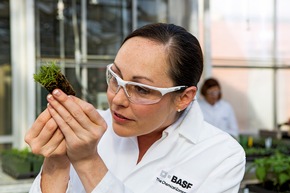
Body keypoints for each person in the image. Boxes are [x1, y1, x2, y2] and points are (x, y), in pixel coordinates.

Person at [25, 23, 245, 193]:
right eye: (116, 78)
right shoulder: (89, 132)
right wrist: (57, 162)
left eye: (141, 89)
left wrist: (87, 161)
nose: (117, 99)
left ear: (183, 98)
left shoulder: (222, 156)